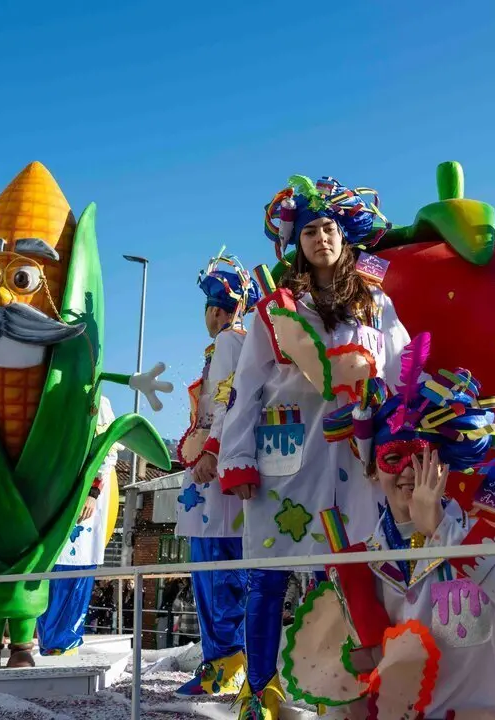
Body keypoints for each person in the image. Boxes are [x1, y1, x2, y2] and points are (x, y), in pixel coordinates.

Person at [218, 175, 409, 719]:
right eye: (310, 232)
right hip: (286, 454)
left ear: (344, 235)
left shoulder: (375, 302)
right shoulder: (274, 309)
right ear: (296, 243)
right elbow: (247, 389)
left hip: (354, 457)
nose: (321, 238)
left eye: (329, 228)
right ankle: (260, 691)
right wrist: (238, 458)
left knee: (355, 572)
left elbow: (396, 373)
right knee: (269, 572)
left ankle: (352, 686)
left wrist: (394, 440)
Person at [284, 356, 495, 720]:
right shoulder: (358, 562)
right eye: (393, 457)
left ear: (443, 464)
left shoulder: (479, 537)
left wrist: (444, 531)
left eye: (422, 456)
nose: (408, 472)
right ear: (372, 471)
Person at [173, 252, 258, 697]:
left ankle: (226, 664)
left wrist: (210, 449)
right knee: (224, 570)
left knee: (217, 570)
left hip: (216, 477)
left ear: (218, 309)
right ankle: (230, 661)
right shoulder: (236, 344)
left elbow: (229, 400)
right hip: (222, 476)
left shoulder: (230, 342)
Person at [36, 395, 121, 657]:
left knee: (75, 567)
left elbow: (108, 450)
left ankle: (65, 643)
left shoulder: (99, 400)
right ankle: (47, 642)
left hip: (83, 498)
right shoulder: (47, 396)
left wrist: (93, 492)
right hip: (51, 496)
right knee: (45, 570)